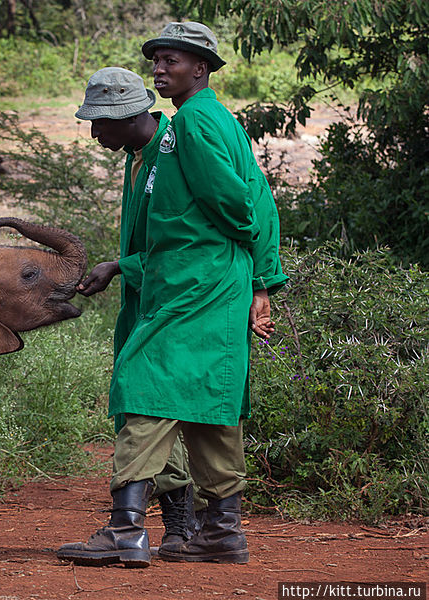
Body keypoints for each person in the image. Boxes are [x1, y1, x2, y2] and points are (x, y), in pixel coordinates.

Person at [58, 22, 287, 568]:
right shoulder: (190, 125)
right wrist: (253, 279)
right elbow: (216, 212)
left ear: (200, 69)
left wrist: (256, 279)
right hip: (199, 282)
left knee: (145, 386)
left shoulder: (192, 124)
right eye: (157, 60)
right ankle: (221, 532)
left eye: (172, 61)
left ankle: (125, 531)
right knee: (211, 403)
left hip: (198, 286)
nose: (161, 69)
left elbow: (242, 205)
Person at [54, 67, 199, 569]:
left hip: (182, 297)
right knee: (158, 406)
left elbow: (188, 238)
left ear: (129, 116)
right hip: (149, 295)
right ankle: (184, 529)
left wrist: (122, 265)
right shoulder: (139, 156)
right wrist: (121, 270)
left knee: (144, 396)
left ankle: (128, 529)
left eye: (101, 123)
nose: (95, 133)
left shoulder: (178, 148)